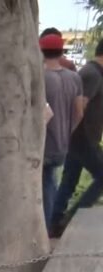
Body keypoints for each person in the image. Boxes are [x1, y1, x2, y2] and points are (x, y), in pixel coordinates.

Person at [51, 38, 103, 236]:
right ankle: (72, 219)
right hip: (83, 137)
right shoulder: (93, 74)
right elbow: (78, 106)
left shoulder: (93, 72)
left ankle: (54, 221)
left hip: (79, 137)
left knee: (70, 179)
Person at [39, 33, 84, 231]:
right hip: (62, 145)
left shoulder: (40, 77)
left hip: (41, 145)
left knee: (43, 188)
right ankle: (50, 224)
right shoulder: (74, 77)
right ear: (61, 51)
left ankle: (45, 230)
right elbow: (79, 113)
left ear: (40, 51)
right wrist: (66, 132)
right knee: (50, 182)